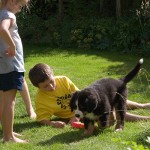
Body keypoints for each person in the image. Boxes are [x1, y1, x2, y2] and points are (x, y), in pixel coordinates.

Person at [28, 63, 150, 128]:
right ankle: (145, 119)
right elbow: (42, 119)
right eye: (46, 86)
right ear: (38, 87)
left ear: (53, 75)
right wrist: (52, 123)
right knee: (111, 111)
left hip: (83, 108)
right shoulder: (41, 100)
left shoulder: (63, 80)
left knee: (113, 101)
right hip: (81, 116)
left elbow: (80, 96)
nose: (52, 86)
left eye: (51, 81)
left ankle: (142, 105)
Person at [0, 0, 30, 143]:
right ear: (11, 1)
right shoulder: (8, 15)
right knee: (9, 102)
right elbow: (2, 29)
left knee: (3, 101)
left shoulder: (0, 13)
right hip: (12, 66)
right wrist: (12, 45)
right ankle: (8, 137)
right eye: (20, 6)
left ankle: (8, 131)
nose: (19, 9)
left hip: (3, 66)